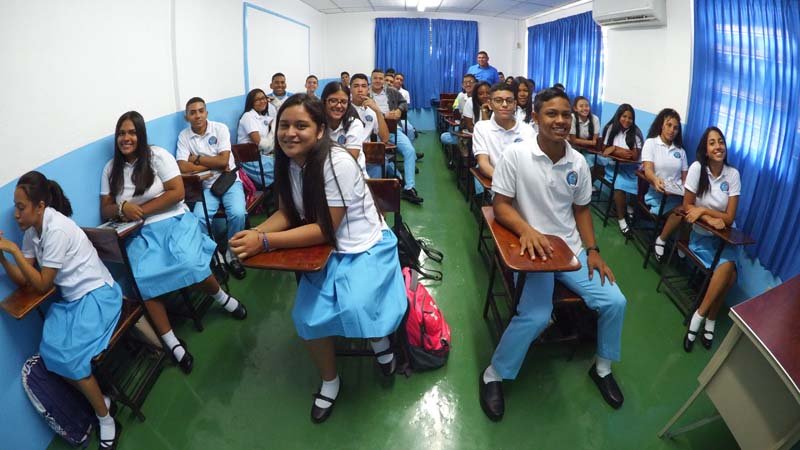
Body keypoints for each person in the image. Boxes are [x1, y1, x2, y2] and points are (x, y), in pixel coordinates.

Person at [229, 94, 407, 424]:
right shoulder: (288, 161)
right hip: (322, 249)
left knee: (357, 305)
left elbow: (326, 229)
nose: (290, 133)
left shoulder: (337, 162)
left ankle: (380, 342)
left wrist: (264, 241)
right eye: (284, 126)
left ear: (320, 131)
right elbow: (286, 213)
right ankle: (330, 380)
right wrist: (252, 234)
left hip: (362, 245)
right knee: (307, 318)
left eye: (301, 126)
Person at [478, 88, 627, 422]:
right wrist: (527, 230)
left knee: (615, 302)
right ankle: (494, 374)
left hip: (570, 249)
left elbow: (582, 210)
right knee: (536, 316)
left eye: (565, 114)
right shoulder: (517, 155)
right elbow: (500, 206)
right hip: (534, 252)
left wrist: (593, 250)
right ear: (535, 117)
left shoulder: (578, 163)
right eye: (552, 114)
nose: (560, 121)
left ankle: (602, 369)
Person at [101, 111, 247, 374]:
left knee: (190, 262)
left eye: (132, 132)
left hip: (174, 220)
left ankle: (223, 298)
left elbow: (177, 192)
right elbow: (105, 208)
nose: (126, 138)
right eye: (121, 133)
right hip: (139, 232)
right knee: (142, 279)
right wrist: (122, 208)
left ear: (141, 134)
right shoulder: (111, 168)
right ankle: (172, 342)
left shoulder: (157, 156)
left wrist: (140, 210)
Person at [1, 172, 123, 449]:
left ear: (40, 206)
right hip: (73, 303)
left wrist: (14, 251)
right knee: (50, 351)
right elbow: (24, 280)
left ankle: (105, 419)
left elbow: (43, 284)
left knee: (70, 357)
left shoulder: (56, 229)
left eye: (21, 207)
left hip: (97, 296)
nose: (17, 215)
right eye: (16, 207)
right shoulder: (32, 232)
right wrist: (4, 257)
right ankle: (102, 401)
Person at [682, 126, 740, 352]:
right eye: (712, 143)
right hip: (702, 237)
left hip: (724, 238)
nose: (718, 147)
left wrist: (704, 211)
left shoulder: (733, 174)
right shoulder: (697, 168)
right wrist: (709, 218)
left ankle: (699, 316)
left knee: (728, 272)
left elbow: (730, 217)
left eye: (721, 142)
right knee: (729, 276)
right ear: (705, 150)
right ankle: (711, 320)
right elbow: (687, 206)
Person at [176, 97, 248, 279]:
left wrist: (196, 159)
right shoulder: (184, 136)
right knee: (199, 218)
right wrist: (212, 165)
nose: (198, 116)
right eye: (193, 112)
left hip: (228, 181)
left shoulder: (220, 129)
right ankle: (216, 256)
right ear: (187, 117)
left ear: (206, 113)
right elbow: (182, 166)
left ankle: (232, 254)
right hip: (207, 186)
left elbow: (224, 161)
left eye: (201, 111)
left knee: (238, 213)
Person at [370, 69, 423, 204]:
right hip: (373, 133)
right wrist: (383, 115)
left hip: (393, 129)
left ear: (384, 80)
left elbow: (403, 102)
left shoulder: (391, 91)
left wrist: (399, 110)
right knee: (382, 158)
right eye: (375, 78)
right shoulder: (366, 94)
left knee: (409, 151)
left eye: (380, 78)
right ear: (371, 79)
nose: (378, 81)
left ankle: (409, 188)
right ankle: (397, 178)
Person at [641, 108, 688, 262]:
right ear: (662, 125)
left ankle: (681, 243)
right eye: (669, 125)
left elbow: (685, 179)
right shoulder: (651, 143)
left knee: (687, 211)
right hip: (657, 195)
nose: (672, 130)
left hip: (676, 197)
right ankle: (661, 240)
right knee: (681, 213)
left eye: (676, 128)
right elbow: (648, 169)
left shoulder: (681, 151)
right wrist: (655, 180)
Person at [473, 83, 535, 179]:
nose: (505, 105)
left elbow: (531, 165)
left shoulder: (527, 130)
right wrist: (504, 183)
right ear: (490, 104)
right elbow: (483, 162)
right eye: (498, 101)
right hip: (494, 180)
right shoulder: (481, 128)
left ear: (515, 104)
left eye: (509, 101)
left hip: (522, 181)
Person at [601, 104, 644, 236]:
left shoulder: (636, 132)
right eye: (624, 116)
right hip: (613, 167)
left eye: (630, 118)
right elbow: (605, 151)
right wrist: (616, 150)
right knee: (619, 185)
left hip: (631, 168)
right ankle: (621, 219)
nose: (627, 120)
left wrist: (614, 149)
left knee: (638, 183)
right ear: (618, 116)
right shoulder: (611, 128)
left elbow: (634, 156)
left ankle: (629, 207)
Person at [350, 73, 393, 179]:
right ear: (350, 89)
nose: (360, 90)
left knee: (379, 166)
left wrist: (378, 111)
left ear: (368, 89)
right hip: (350, 155)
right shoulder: (344, 108)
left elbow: (385, 138)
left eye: (363, 86)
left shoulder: (372, 111)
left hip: (368, 157)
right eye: (356, 86)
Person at [321, 81, 366, 169]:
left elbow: (349, 162)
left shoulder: (354, 124)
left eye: (343, 102)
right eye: (333, 101)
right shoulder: (317, 124)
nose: (339, 106)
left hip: (351, 173)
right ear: (324, 101)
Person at [237, 88, 276, 188]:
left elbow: (278, 120)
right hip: (250, 159)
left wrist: (275, 102)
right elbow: (260, 143)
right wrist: (271, 142)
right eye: (258, 100)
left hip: (262, 155)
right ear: (251, 102)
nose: (262, 101)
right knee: (283, 166)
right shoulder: (248, 116)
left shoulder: (262, 117)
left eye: (263, 98)